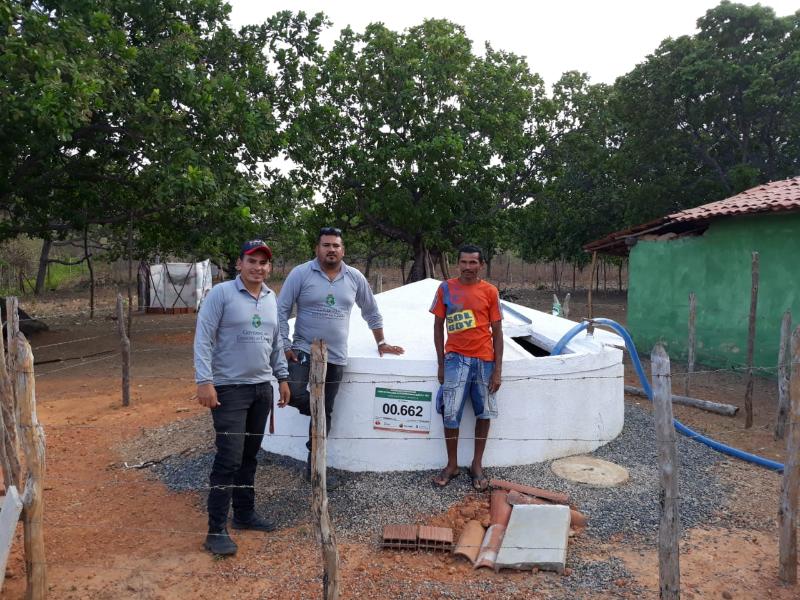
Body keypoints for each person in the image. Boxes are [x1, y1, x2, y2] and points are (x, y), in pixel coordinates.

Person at [277, 227, 404, 483]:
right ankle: (318, 413)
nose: (331, 249)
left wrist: (381, 341)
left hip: (336, 357)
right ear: (317, 249)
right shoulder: (301, 273)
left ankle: (315, 470)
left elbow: (371, 311)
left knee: (326, 412)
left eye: (336, 245)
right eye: (326, 245)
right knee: (294, 393)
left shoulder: (354, 277)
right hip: (303, 349)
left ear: (343, 250)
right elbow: (281, 309)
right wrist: (284, 343)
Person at [194, 239, 291, 556]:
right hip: (229, 390)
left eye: (263, 262)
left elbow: (276, 342)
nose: (258, 267)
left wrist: (282, 377)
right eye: (252, 261)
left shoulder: (271, 298)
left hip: (261, 389)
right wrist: (204, 381)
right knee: (229, 458)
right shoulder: (221, 294)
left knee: (250, 456)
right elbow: (203, 338)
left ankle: (245, 514)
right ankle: (216, 530)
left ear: (269, 267)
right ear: (239, 264)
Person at [430, 244, 503, 492]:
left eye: (473, 262)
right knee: (450, 413)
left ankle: (477, 465)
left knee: (485, 413)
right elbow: (438, 327)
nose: (468, 267)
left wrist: (497, 370)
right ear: (457, 263)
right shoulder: (445, 289)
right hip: (455, 359)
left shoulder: (490, 291)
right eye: (464, 262)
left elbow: (498, 332)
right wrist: (441, 363)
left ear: (481, 265)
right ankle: (452, 465)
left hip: (484, 360)